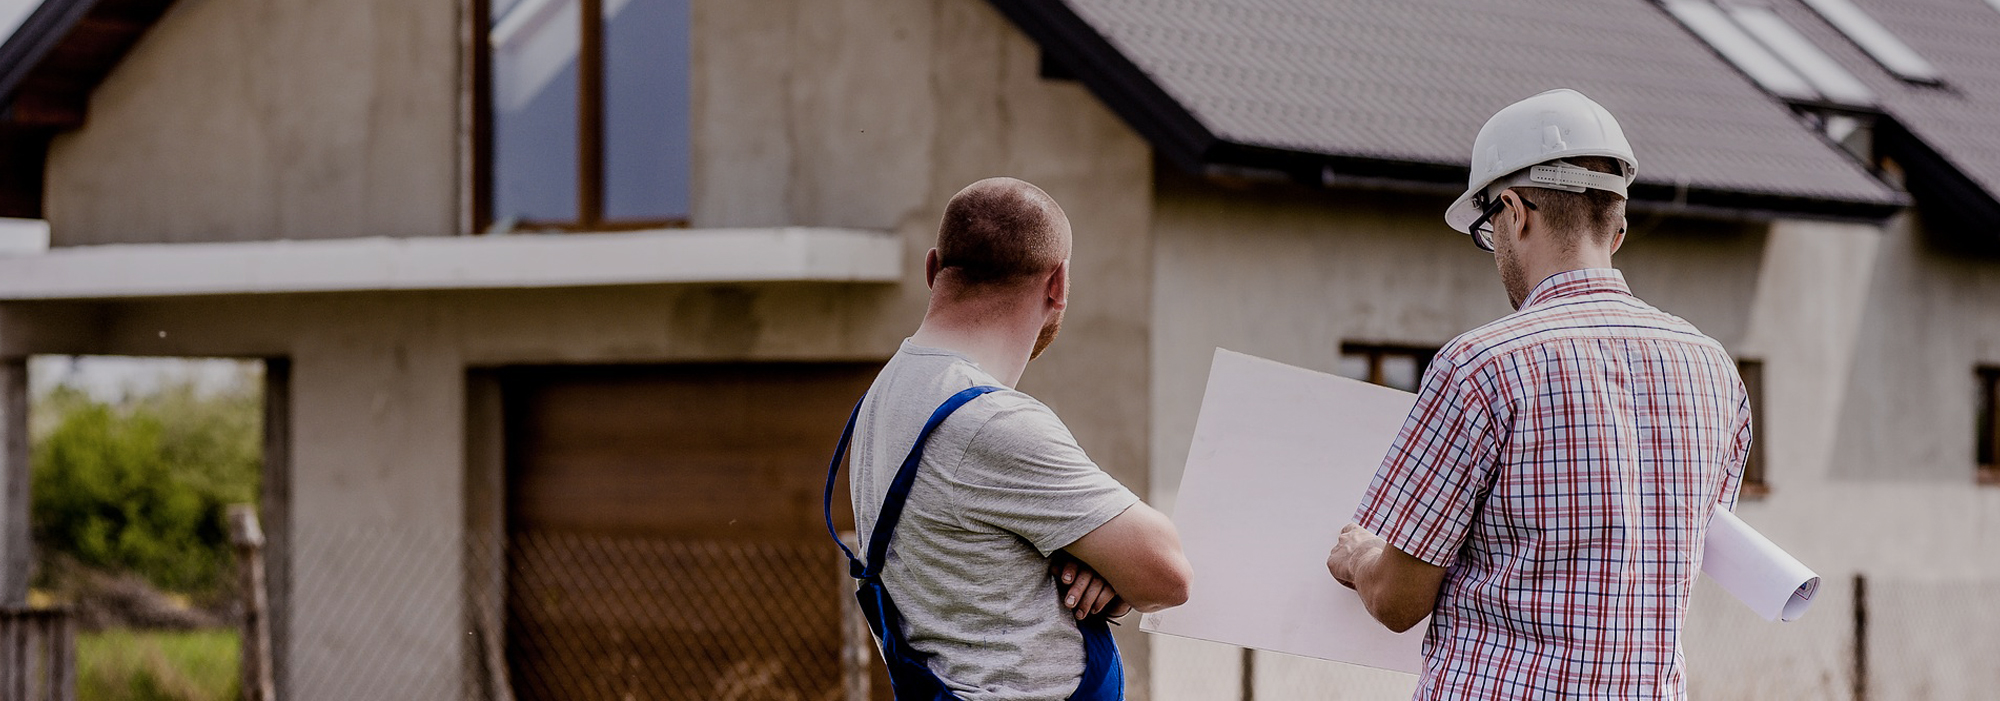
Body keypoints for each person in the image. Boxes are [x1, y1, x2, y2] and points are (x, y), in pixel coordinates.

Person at [1324, 89, 1753, 700]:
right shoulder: (1714, 371)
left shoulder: (1484, 366)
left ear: (1514, 212)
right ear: (1618, 229)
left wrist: (1359, 557)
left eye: (1487, 230)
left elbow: (1397, 600)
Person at [823, 177, 1191, 700]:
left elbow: (984, 564)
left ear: (932, 270)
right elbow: (1168, 574)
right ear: (1058, 284)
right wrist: (1121, 568)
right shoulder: (989, 420)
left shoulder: (884, 397)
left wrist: (1111, 572)